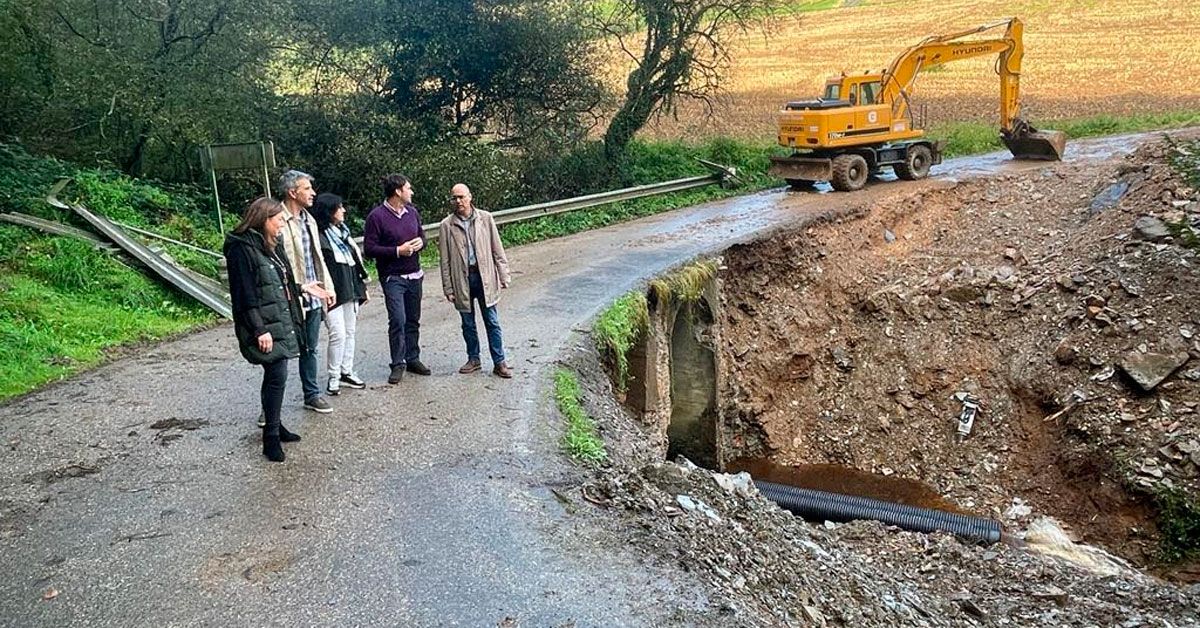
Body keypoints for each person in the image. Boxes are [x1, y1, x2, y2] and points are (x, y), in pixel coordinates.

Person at [224, 197, 329, 462]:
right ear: (264, 219)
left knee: (275, 376)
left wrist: (303, 288)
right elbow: (244, 293)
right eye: (279, 220)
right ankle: (270, 437)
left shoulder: (272, 243)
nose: (283, 224)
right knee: (277, 375)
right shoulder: (241, 248)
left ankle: (275, 425)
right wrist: (259, 329)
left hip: (279, 318)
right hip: (262, 323)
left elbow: (283, 280)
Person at [438, 183, 513, 378]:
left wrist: (503, 274)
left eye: (461, 197)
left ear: (470, 197)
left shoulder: (485, 218)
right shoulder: (447, 225)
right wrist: (448, 287)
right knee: (468, 323)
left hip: (484, 276)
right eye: (454, 198)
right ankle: (474, 359)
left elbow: (497, 248)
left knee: (492, 321)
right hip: (461, 279)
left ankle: (499, 361)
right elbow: (444, 260)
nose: (458, 201)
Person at [278, 170, 336, 414]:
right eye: (307, 189)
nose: (313, 193)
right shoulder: (275, 219)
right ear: (293, 192)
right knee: (279, 355)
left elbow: (318, 258)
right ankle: (270, 407)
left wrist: (328, 288)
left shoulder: (309, 220)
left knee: (310, 348)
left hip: (313, 296)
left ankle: (311, 394)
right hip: (288, 298)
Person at [363, 173, 429, 384]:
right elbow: (370, 249)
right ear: (398, 191)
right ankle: (397, 363)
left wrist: (421, 242)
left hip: (415, 274)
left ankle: (413, 358)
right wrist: (397, 251)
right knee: (398, 320)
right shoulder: (376, 216)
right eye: (408, 188)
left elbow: (422, 236)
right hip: (393, 277)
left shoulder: (412, 212)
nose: (412, 192)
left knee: (413, 319)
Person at [311, 193, 369, 396]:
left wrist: (362, 288)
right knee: (338, 334)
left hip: (351, 288)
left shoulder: (343, 233)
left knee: (350, 332)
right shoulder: (319, 237)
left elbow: (355, 263)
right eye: (339, 207)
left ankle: (347, 371)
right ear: (329, 211)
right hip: (332, 291)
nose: (343, 210)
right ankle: (333, 376)